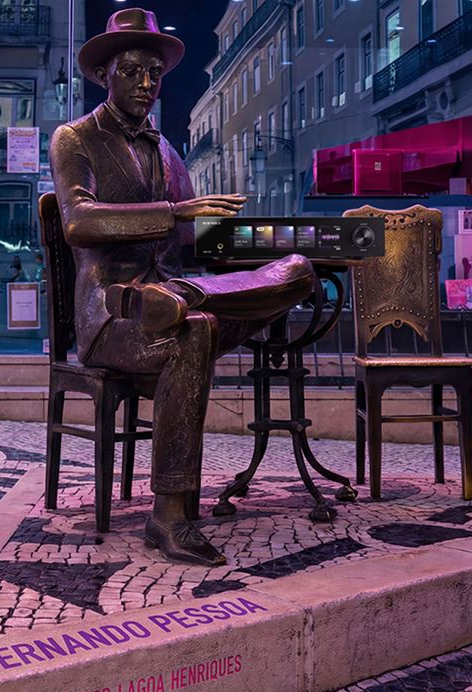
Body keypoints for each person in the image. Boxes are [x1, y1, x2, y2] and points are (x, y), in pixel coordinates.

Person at [51, 8, 314, 566]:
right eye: (133, 71)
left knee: (296, 269)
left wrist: (249, 239)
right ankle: (169, 516)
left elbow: (187, 243)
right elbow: (80, 222)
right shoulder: (74, 139)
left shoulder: (170, 153)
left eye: (154, 73)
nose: (146, 83)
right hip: (112, 315)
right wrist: (175, 212)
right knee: (191, 333)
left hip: (170, 292)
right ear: (105, 74)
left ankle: (190, 296)